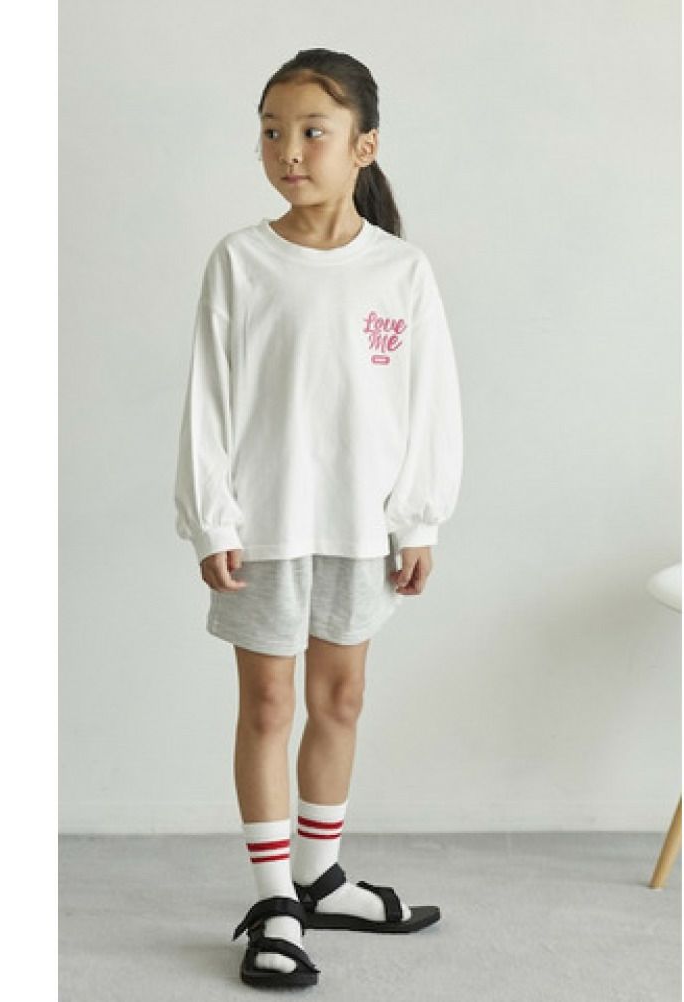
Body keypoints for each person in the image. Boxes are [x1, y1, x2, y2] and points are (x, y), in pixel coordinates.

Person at [173, 47, 463, 990]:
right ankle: (273, 903)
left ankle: (319, 876)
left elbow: (428, 402)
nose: (287, 151)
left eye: (311, 131)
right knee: (268, 705)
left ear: (363, 146)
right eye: (271, 132)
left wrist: (418, 519)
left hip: (359, 528)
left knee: (340, 701)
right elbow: (209, 401)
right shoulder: (241, 261)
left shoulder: (401, 270)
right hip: (265, 527)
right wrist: (213, 520)